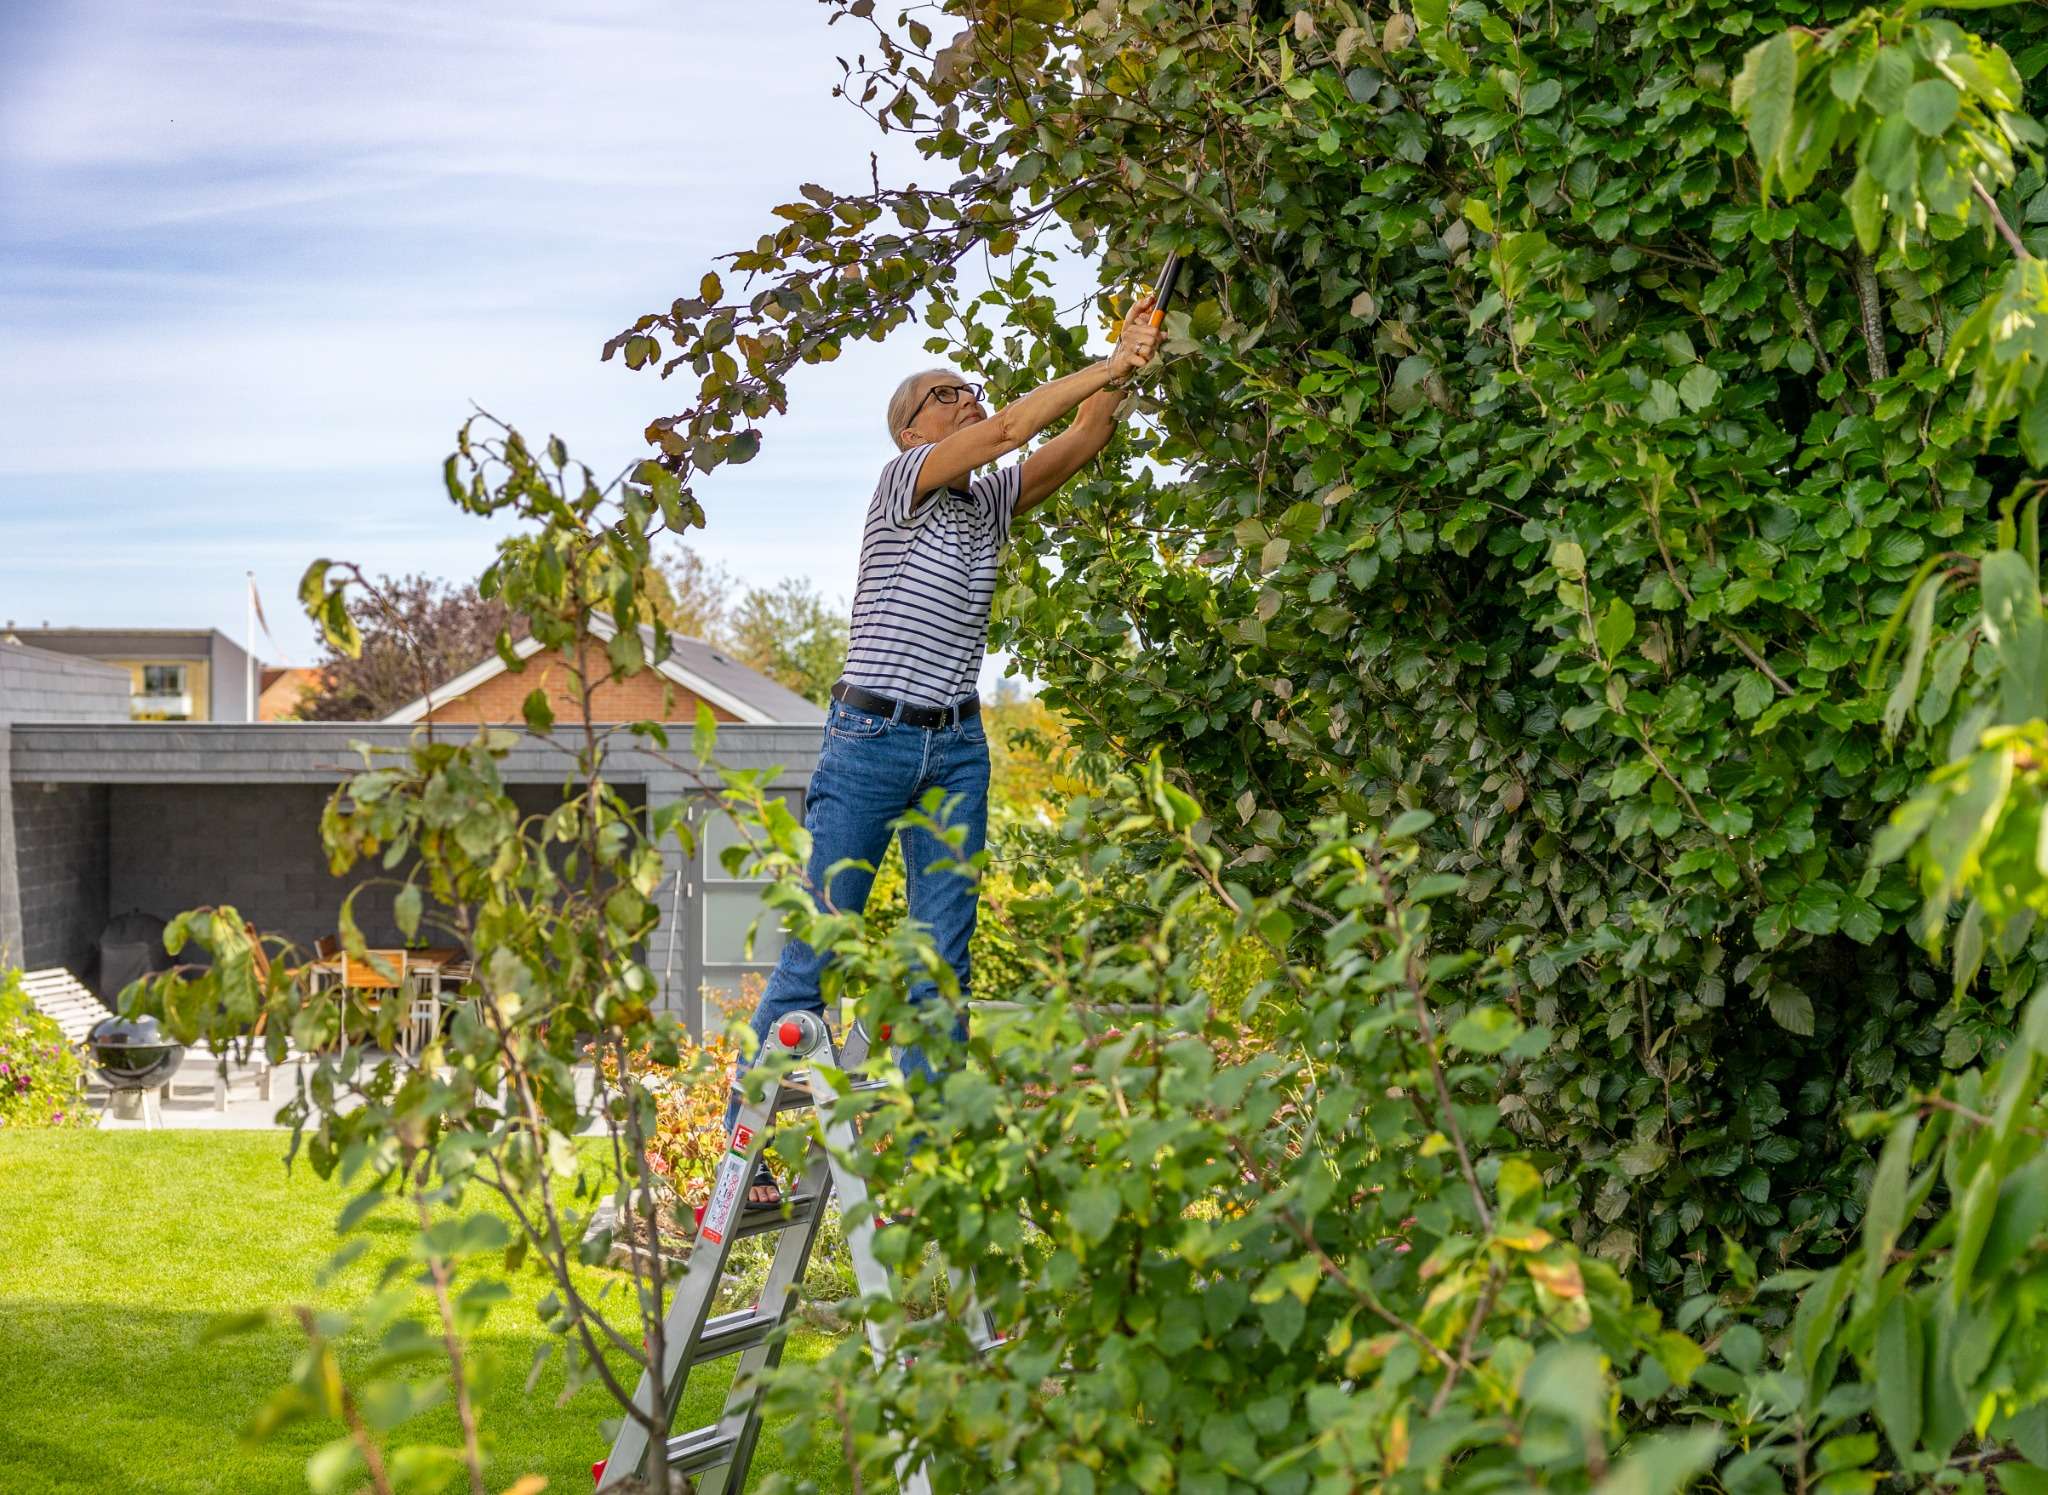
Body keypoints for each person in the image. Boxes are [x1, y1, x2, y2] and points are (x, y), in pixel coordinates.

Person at [728, 295, 1166, 1203]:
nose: (966, 398)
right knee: (822, 944)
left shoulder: (991, 501)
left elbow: (1078, 441)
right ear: (908, 431)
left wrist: (1131, 357)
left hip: (956, 746)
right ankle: (748, 1152)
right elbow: (1014, 425)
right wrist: (1107, 363)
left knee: (942, 959)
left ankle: (938, 1158)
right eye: (944, 393)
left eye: (967, 388)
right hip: (869, 741)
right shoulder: (907, 484)